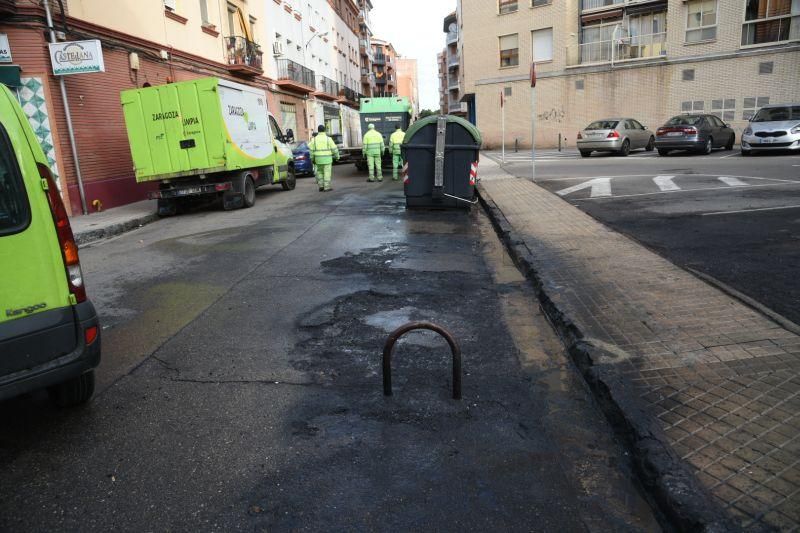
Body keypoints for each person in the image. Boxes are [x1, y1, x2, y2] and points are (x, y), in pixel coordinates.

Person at [308, 125, 339, 192]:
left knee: (319, 173)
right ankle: (327, 187)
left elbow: (311, 151)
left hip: (318, 160)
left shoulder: (314, 140)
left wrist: (312, 159)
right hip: (327, 159)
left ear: (318, 131)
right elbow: (334, 149)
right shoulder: (328, 139)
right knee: (327, 173)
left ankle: (321, 186)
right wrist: (337, 156)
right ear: (324, 130)